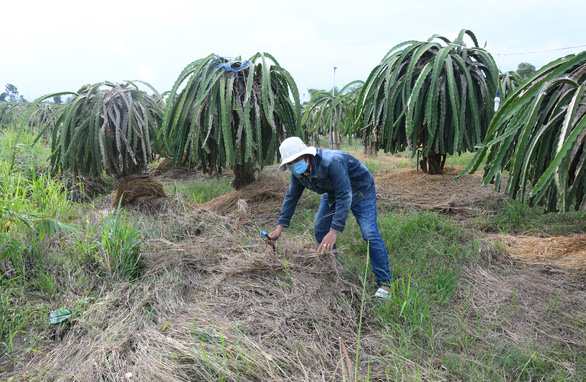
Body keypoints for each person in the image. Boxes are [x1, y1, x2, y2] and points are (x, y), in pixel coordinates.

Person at [266, 137, 394, 298]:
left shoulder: (331, 163)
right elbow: (292, 196)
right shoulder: (298, 173)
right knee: (320, 228)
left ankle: (385, 284)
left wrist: (334, 231)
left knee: (369, 233)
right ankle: (335, 271)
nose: (294, 164)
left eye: (297, 159)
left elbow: (345, 195)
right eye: (290, 162)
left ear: (306, 155)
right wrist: (279, 228)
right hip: (333, 191)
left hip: (360, 189)